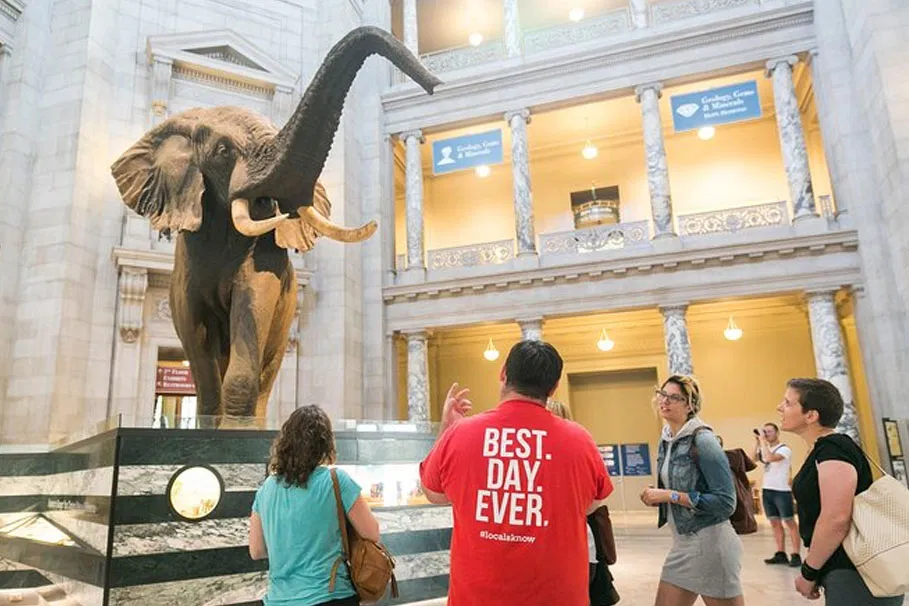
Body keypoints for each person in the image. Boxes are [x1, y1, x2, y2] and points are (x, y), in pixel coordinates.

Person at [419, 340, 613, 606]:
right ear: (554, 388)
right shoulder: (579, 439)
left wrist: (447, 429)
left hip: (478, 598)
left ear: (503, 373)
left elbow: (433, 493)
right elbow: (592, 503)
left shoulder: (462, 433)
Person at [780, 378, 904, 605]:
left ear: (811, 415)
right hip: (846, 569)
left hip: (856, 572)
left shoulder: (833, 447)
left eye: (788, 403)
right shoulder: (823, 449)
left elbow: (836, 518)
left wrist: (808, 572)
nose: (780, 408)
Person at [249, 405, 381, 606]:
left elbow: (256, 550)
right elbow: (372, 533)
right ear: (325, 443)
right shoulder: (336, 480)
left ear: (285, 442)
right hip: (330, 594)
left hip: (278, 599)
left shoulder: (266, 489)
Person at [640, 375, 742, 606]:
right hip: (683, 543)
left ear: (689, 405)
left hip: (710, 542)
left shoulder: (704, 439)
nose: (664, 401)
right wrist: (657, 494)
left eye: (674, 397)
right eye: (662, 394)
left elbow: (726, 503)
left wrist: (670, 496)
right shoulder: (667, 440)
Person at [546, 400, 620, 606]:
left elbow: (598, 496)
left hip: (574, 551)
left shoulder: (574, 448)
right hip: (572, 550)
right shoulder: (576, 447)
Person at [753, 421, 801, 567]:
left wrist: (763, 442)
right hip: (767, 490)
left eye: (769, 431)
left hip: (782, 490)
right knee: (774, 522)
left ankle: (796, 554)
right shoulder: (765, 448)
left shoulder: (784, 449)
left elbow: (770, 458)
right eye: (764, 431)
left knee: (789, 522)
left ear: (777, 433)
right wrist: (757, 442)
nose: (766, 434)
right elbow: (752, 459)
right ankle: (781, 553)